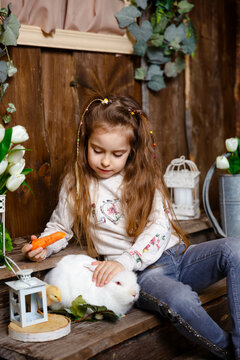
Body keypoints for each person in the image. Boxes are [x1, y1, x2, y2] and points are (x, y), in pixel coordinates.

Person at [22, 95, 239, 359]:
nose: (105, 161)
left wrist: (127, 258)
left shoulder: (144, 178)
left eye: (117, 154)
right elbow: (61, 227)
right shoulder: (76, 183)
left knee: (234, 249)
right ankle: (229, 352)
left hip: (178, 257)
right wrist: (43, 246)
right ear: (84, 143)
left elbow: (160, 226)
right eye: (97, 150)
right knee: (181, 299)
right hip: (142, 275)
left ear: (131, 150)